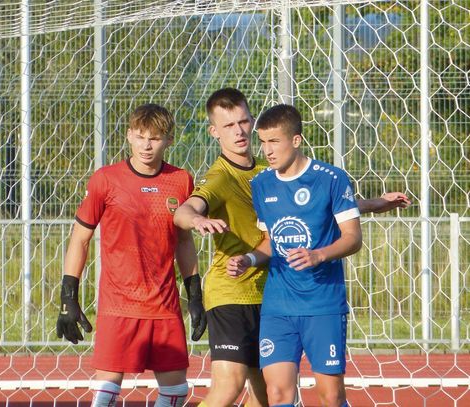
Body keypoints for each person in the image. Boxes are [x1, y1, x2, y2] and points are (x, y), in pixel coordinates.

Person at [173, 88, 410, 407]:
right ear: (214, 132)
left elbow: (317, 208)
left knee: (267, 396)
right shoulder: (221, 178)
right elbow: (186, 210)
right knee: (230, 385)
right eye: (229, 126)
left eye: (243, 121)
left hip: (271, 291)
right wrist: (195, 220)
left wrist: (369, 204)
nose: (240, 131)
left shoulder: (268, 173)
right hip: (234, 291)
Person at [56, 103, 207, 407]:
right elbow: (80, 239)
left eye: (155, 137)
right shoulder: (106, 180)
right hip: (118, 306)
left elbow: (184, 242)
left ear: (169, 140)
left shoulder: (181, 180)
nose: (147, 145)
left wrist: (195, 294)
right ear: (128, 136)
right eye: (140, 136)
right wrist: (67, 297)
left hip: (164, 306)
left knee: (176, 391)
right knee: (104, 397)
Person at [244, 103, 360, 407]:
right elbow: (271, 241)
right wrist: (249, 259)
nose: (267, 150)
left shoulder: (331, 179)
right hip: (278, 306)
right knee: (278, 393)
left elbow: (353, 238)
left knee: (330, 396)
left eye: (274, 141)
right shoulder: (260, 184)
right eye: (263, 142)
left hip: (322, 304)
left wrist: (319, 255)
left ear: (296, 140)